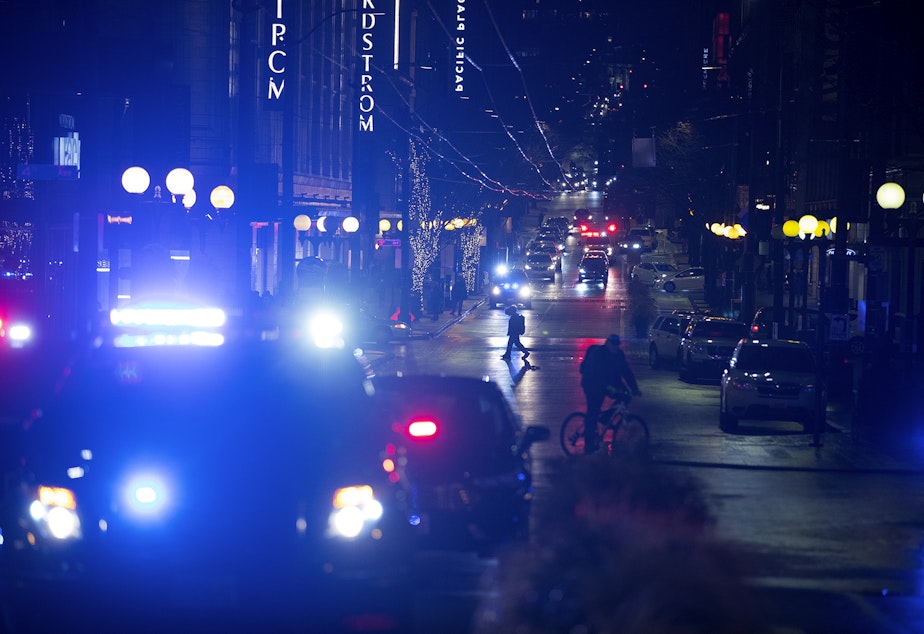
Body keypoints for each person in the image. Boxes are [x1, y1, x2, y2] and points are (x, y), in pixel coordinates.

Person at [579, 334, 641, 453]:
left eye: (617, 346)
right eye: (613, 346)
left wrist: (634, 388)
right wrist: (609, 388)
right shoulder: (599, 355)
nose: (615, 348)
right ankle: (589, 443)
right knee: (593, 410)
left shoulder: (619, 355)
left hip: (609, 381)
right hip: (591, 383)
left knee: (625, 396)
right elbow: (597, 375)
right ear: (607, 344)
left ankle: (606, 417)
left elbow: (626, 372)